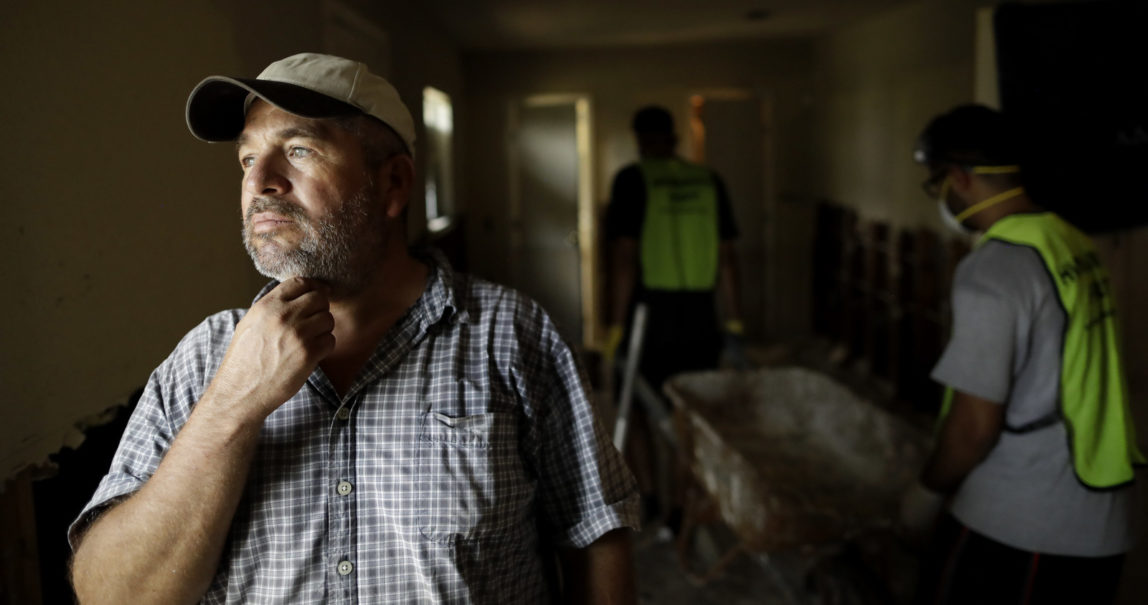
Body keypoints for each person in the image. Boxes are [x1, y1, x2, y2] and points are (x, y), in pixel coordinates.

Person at [68, 52, 640, 605]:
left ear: (392, 184)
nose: (260, 181)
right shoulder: (204, 359)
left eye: (297, 150)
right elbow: (109, 594)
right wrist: (228, 407)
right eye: (247, 159)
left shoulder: (510, 335)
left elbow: (595, 535)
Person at [902, 104, 1144, 604]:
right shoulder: (1071, 242)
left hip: (1021, 528)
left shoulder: (994, 269)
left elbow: (973, 426)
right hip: (1097, 525)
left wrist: (923, 497)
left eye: (938, 183)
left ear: (959, 178)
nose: (942, 198)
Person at [603, 105, 745, 390]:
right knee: (695, 400)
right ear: (673, 137)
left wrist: (617, 324)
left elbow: (625, 259)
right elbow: (727, 259)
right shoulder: (709, 181)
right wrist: (733, 320)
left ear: (639, 139)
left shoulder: (631, 180)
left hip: (649, 315)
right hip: (702, 314)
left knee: (637, 404)